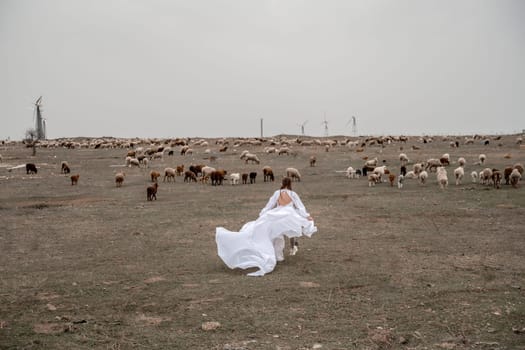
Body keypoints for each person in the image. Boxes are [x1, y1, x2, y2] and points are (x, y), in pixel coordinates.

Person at [215, 177, 317, 276]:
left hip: (276, 214)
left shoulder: (277, 193)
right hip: (288, 215)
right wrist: (307, 216)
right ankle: (280, 255)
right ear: (290, 184)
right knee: (281, 235)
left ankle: (278, 256)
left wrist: (262, 215)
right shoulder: (293, 194)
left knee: (277, 235)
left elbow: (270, 204)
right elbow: (300, 206)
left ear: (282, 183)